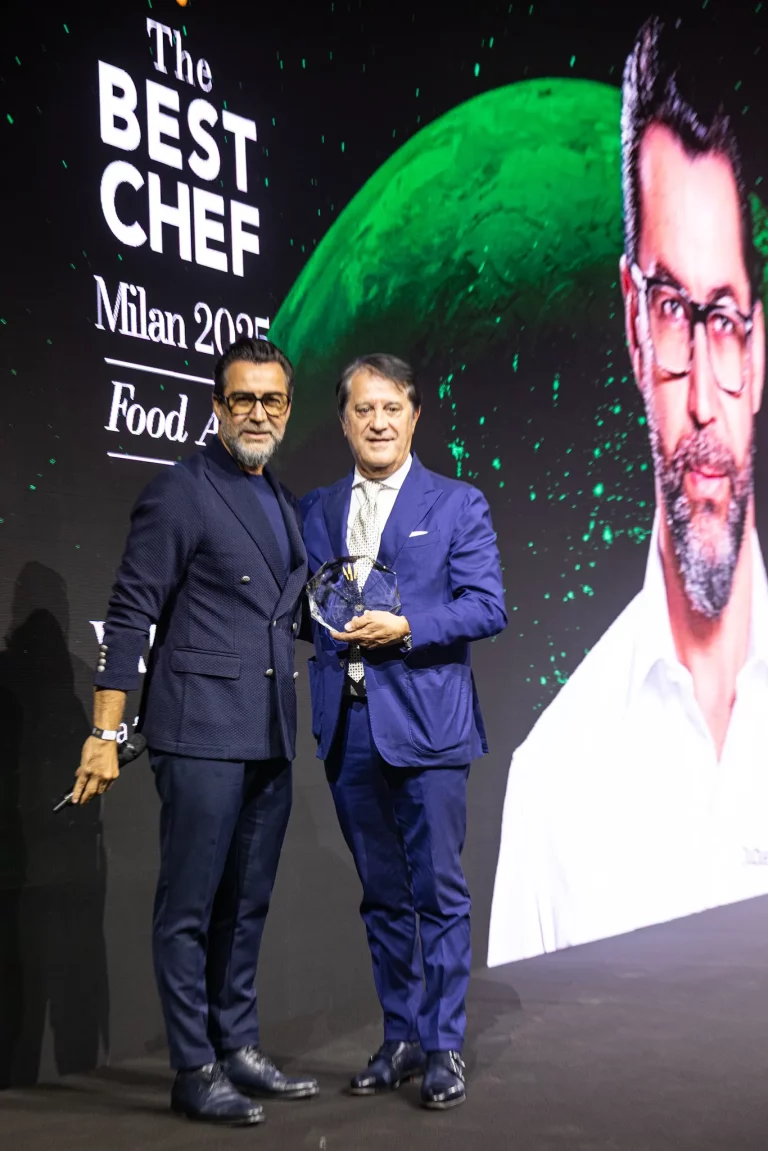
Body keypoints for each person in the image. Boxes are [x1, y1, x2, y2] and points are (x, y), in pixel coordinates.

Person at [488, 17, 768, 968]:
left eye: (723, 320)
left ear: (760, 350)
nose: (703, 398)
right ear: (634, 323)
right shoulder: (555, 781)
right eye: (674, 311)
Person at [72, 338, 318, 1125]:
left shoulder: (281, 499)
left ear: (287, 409)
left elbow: (285, 613)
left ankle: (236, 1045)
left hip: (269, 732)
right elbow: (130, 612)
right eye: (242, 398)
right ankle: (194, 1065)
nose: (257, 413)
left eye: (271, 399)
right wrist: (104, 732)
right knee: (188, 908)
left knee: (244, 905)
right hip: (199, 730)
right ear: (217, 406)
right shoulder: (180, 491)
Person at [301, 353, 506, 1109]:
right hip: (347, 729)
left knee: (439, 893)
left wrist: (409, 625)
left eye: (392, 408)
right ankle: (402, 1036)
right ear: (344, 421)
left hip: (428, 728)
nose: (379, 422)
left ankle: (445, 1045)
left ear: (415, 417)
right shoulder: (317, 508)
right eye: (364, 409)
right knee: (382, 896)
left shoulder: (457, 503)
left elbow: (487, 605)